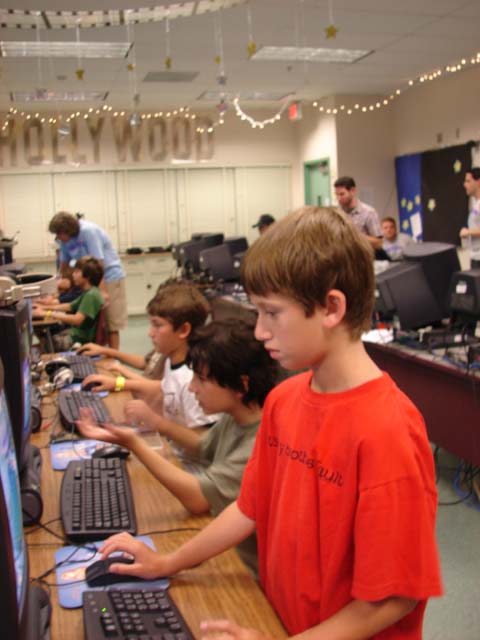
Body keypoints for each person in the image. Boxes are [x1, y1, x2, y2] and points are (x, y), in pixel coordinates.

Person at [96, 206, 442, 640]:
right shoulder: (283, 401)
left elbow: (393, 598)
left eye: (271, 313)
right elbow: (249, 508)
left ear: (331, 308)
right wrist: (167, 563)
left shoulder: (389, 430)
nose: (260, 331)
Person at [76, 318, 279, 575]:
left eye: (201, 379)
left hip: (242, 569)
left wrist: (134, 443)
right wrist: (156, 425)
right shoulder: (238, 416)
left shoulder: (259, 441)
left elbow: (197, 499)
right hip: (224, 545)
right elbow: (204, 445)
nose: (192, 387)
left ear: (242, 385)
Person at [80, 282, 218, 446]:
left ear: (183, 330)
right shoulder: (172, 361)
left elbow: (206, 445)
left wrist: (156, 422)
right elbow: (162, 388)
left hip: (183, 460)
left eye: (157, 325)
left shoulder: (194, 379)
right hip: (172, 447)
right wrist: (117, 384)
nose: (150, 333)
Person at [48, 211, 127, 349]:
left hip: (109, 276)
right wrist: (58, 287)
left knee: (110, 322)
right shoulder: (65, 240)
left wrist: (102, 291)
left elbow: (98, 263)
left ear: (67, 230)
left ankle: (113, 356)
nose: (58, 237)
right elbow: (64, 265)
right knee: (94, 321)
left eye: (59, 233)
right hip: (89, 277)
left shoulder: (88, 232)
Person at [32, 256, 104, 351]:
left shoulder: (91, 295)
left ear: (87, 277)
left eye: (77, 272)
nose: (73, 275)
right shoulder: (89, 292)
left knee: (38, 348)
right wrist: (43, 307)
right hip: (74, 336)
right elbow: (69, 306)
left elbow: (77, 320)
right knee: (43, 342)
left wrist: (46, 313)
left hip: (78, 340)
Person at [334, 176, 383, 249]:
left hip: (362, 255)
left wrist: (354, 236)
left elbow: (379, 243)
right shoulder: (336, 213)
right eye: (336, 194)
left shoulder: (369, 212)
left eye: (342, 194)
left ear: (353, 191)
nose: (338, 198)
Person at [460, 167, 480, 268]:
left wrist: (468, 232)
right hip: (475, 256)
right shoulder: (475, 204)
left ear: (478, 182)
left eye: (468, 181)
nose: (465, 185)